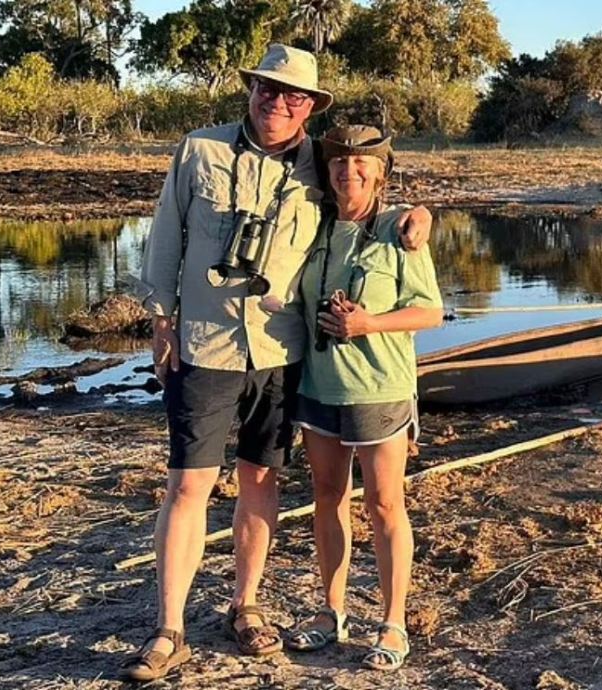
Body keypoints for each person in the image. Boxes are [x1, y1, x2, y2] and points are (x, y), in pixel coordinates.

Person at [119, 46, 431, 682]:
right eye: (268, 89)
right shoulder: (199, 150)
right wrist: (161, 320)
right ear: (251, 90)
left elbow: (371, 192)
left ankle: (246, 605)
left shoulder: (320, 162)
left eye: (295, 96)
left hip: (283, 351)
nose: (278, 103)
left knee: (260, 481)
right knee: (187, 485)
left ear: (311, 106)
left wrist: (422, 216)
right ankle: (169, 628)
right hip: (204, 341)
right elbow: (165, 237)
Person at [286, 125, 443, 672]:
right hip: (318, 387)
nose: (348, 172)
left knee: (383, 505)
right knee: (327, 497)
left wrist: (369, 323)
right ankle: (331, 613)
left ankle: (393, 622)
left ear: (380, 173)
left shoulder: (399, 232)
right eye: (339, 164)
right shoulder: (313, 227)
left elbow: (430, 313)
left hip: (380, 390)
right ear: (327, 172)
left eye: (361, 165)